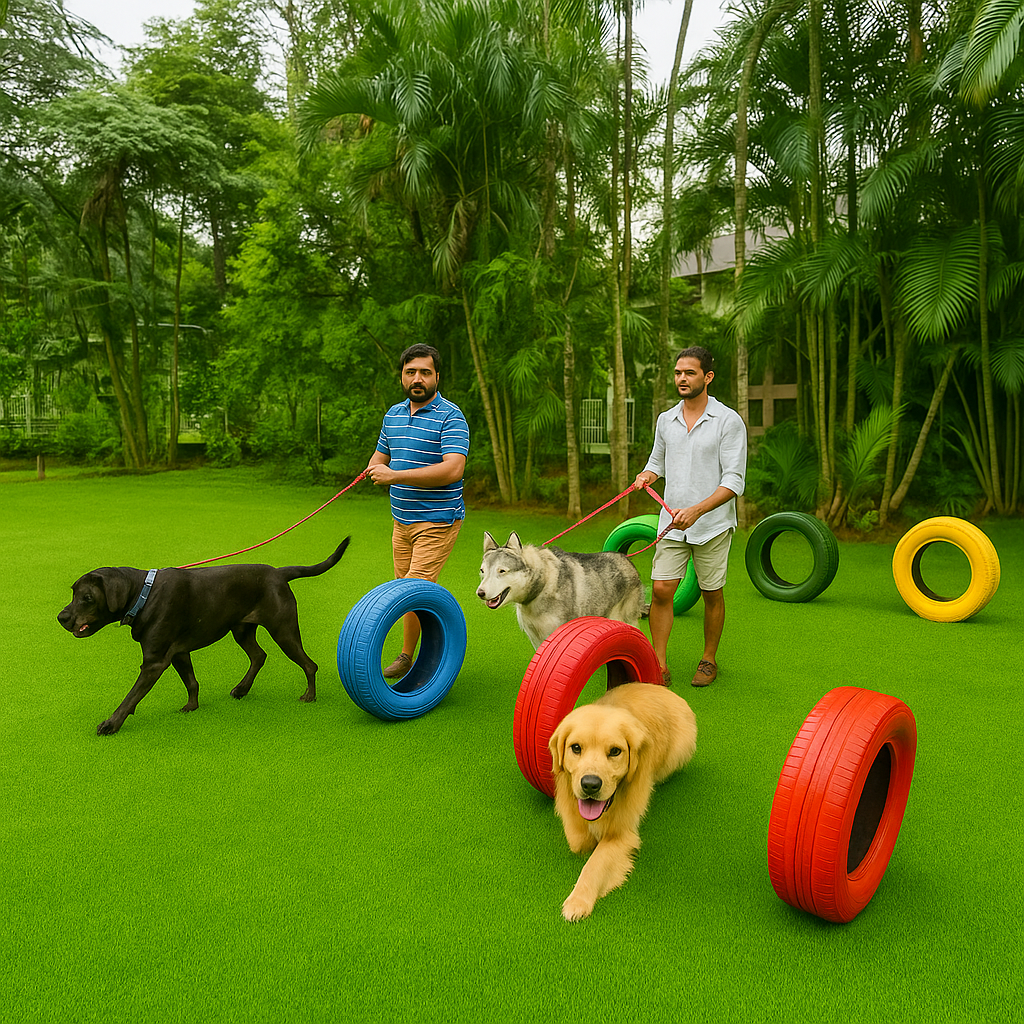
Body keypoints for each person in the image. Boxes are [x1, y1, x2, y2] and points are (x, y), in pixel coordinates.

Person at [632, 346, 747, 687]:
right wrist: (646, 476)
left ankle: (709, 659)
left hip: (711, 523)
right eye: (678, 373)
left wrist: (698, 510)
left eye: (690, 373)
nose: (682, 378)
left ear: (707, 377)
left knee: (712, 592)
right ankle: (659, 664)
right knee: (662, 590)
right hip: (671, 522)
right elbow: (657, 463)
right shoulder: (665, 420)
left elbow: (734, 480)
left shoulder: (728, 421)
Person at [366, 343, 469, 679]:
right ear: (402, 376)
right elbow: (380, 455)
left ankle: (414, 658)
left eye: (425, 372)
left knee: (411, 591)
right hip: (402, 522)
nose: (417, 378)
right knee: (407, 590)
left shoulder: (451, 416)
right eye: (411, 372)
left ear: (437, 376)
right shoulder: (393, 415)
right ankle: (417, 652)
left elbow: (453, 469)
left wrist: (394, 475)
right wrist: (374, 467)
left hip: (437, 520)